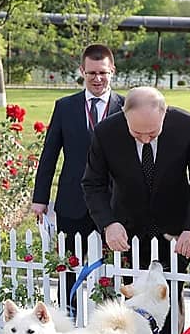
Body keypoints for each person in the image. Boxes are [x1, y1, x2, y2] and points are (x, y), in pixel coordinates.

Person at [82, 86, 190, 334]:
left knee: (169, 299)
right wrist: (108, 223)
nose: (144, 139)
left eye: (152, 133)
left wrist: (189, 229)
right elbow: (92, 183)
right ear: (124, 117)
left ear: (164, 115)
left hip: (175, 233)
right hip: (126, 232)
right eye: (137, 133)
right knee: (129, 302)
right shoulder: (106, 132)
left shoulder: (187, 126)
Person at [31, 44, 124, 312]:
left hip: (112, 202)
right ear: (82, 71)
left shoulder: (126, 106)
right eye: (91, 72)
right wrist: (40, 198)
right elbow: (50, 154)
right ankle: (68, 315)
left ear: (112, 71)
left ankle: (108, 317)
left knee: (110, 266)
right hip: (72, 201)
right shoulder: (65, 107)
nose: (97, 78)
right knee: (69, 265)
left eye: (103, 73)